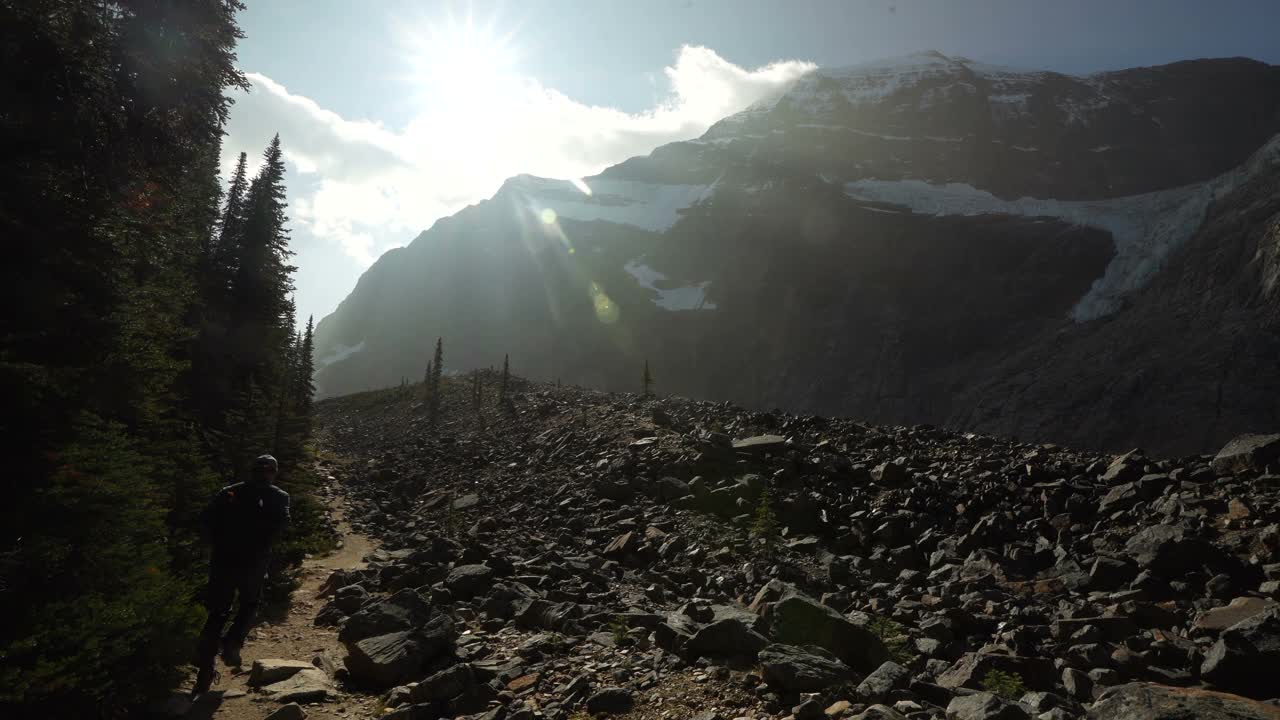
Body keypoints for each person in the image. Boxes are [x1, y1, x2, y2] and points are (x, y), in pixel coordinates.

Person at [192, 454, 290, 695]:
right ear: (273, 472)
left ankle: (204, 672)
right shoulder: (279, 496)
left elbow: (204, 519)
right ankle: (232, 644)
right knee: (249, 604)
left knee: (217, 613)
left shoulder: (229, 492)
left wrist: (214, 544)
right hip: (254, 562)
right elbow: (283, 525)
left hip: (223, 561)